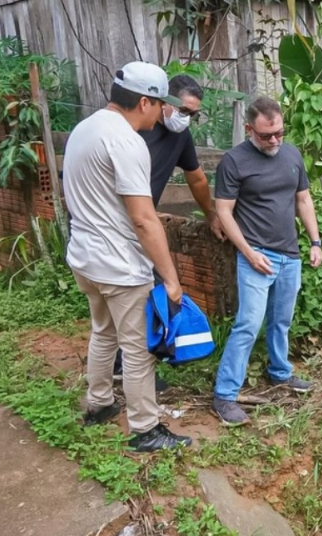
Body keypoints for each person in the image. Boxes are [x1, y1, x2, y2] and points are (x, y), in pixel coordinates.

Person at [64, 61, 192, 452]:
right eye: (159, 105)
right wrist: (170, 279)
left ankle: (99, 403)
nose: (163, 113)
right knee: (138, 350)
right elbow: (143, 219)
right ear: (143, 102)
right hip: (119, 265)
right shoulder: (126, 141)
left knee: (103, 332)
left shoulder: (84, 129)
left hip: (84, 257)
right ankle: (146, 429)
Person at [210, 96, 322, 426]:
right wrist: (248, 252)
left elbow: (303, 199)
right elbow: (223, 212)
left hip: (290, 255)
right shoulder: (234, 162)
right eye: (265, 135)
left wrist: (315, 241)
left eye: (279, 133)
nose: (274, 140)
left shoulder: (291, 153)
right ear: (248, 129)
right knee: (248, 324)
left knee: (281, 320)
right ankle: (225, 395)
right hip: (256, 256)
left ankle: (280, 372)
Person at [112, 74, 225, 389]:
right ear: (163, 102)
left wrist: (211, 214)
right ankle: (133, 369)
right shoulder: (131, 132)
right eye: (184, 111)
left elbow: (197, 179)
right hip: (119, 226)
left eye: (194, 114)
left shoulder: (179, 137)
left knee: (143, 293)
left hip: (141, 224)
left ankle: (123, 365)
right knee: (138, 293)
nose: (187, 119)